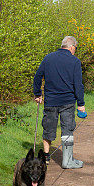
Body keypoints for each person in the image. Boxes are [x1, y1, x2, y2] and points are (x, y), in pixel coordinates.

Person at [33, 36, 86, 169]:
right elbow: (78, 84)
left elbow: (38, 76)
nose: (75, 51)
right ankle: (67, 161)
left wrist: (38, 94)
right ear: (72, 47)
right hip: (67, 102)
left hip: (50, 101)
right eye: (75, 48)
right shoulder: (75, 61)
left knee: (48, 127)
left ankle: (45, 157)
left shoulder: (48, 58)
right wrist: (81, 104)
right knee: (67, 128)